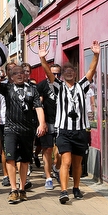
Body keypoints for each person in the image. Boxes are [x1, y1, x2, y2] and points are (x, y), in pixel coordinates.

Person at [39, 42, 100, 203]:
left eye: (71, 71)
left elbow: (91, 71)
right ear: (62, 74)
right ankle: (64, 191)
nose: (69, 73)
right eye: (66, 71)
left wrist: (96, 55)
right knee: (65, 161)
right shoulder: (58, 87)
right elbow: (48, 73)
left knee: (77, 163)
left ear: (75, 73)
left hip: (80, 130)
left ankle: (76, 187)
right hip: (64, 130)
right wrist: (42, 58)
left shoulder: (82, 86)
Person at [0, 59, 46, 204]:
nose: (19, 75)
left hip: (27, 130)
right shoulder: (7, 88)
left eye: (21, 73)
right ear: (11, 77)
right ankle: (13, 189)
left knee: (25, 160)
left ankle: (22, 189)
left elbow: (38, 107)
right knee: (10, 158)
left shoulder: (32, 89)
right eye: (16, 73)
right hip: (10, 129)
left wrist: (42, 124)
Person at [36, 59, 62, 189]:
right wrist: (41, 122)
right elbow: (37, 103)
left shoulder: (62, 86)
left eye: (58, 74)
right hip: (47, 121)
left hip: (61, 122)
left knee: (62, 151)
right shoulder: (41, 86)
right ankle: (48, 177)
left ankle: (56, 167)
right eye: (53, 74)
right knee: (48, 149)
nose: (55, 76)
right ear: (47, 74)